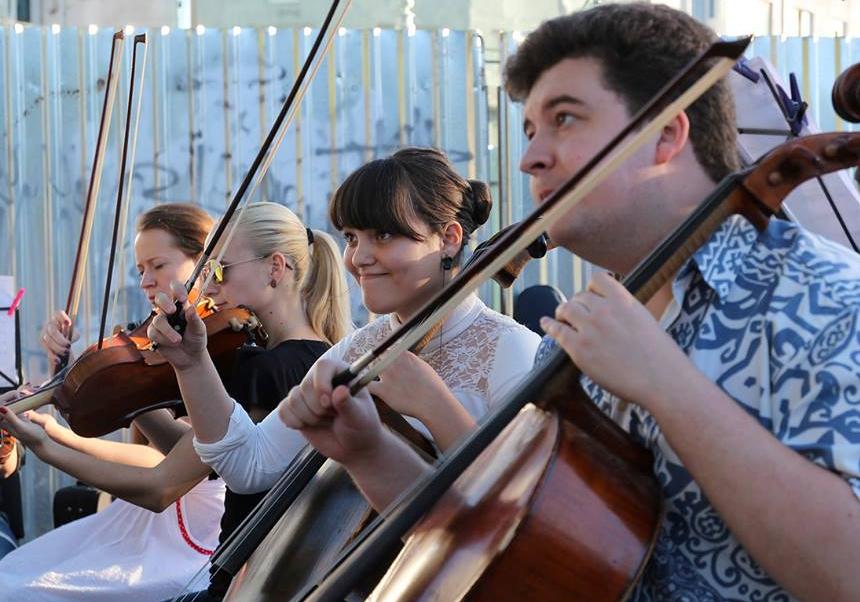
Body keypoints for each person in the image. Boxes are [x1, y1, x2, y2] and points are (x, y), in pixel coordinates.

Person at [280, 5, 860, 601]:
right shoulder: (575, 333)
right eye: (530, 129)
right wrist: (367, 451)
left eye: (564, 119)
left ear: (666, 133)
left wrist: (667, 386)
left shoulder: (823, 297)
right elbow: (504, 540)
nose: (530, 156)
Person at [147, 147, 541, 499]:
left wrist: (434, 406)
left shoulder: (511, 349)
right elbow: (251, 467)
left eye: (384, 235)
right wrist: (191, 363)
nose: (359, 258)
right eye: (352, 238)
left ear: (449, 239)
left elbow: (524, 500)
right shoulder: (355, 352)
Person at [0, 202, 226, 601]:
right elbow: (149, 452)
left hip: (184, 538)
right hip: (142, 523)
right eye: (140, 269)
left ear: (204, 264)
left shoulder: (216, 349)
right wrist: (67, 375)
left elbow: (170, 464)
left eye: (158, 265)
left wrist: (53, 433)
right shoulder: (156, 344)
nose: (145, 280)